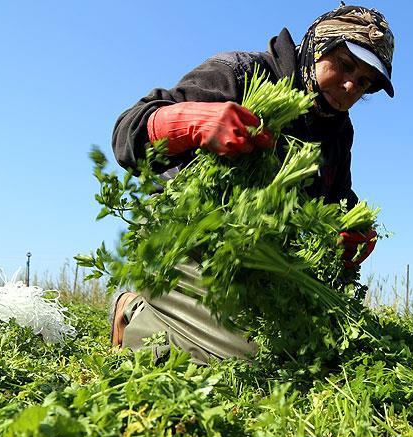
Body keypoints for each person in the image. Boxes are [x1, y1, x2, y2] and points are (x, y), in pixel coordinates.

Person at [108, 5, 395, 363]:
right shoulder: (240, 73)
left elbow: (334, 196)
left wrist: (351, 224)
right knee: (254, 354)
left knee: (316, 347)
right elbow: (126, 134)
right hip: (184, 236)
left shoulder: (336, 128)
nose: (352, 85)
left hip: (258, 255)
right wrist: (191, 122)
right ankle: (134, 311)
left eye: (365, 81)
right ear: (316, 47)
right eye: (344, 64)